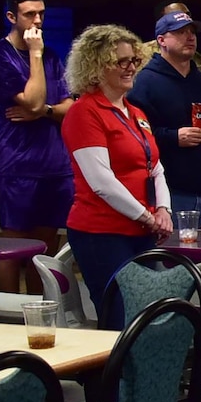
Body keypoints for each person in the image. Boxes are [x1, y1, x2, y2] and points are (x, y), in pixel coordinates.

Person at [58, 25, 172, 328]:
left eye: (133, 60)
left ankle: (143, 375)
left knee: (147, 315)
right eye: (120, 61)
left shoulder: (136, 113)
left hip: (142, 231)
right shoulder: (84, 112)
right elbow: (102, 183)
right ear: (96, 66)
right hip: (102, 233)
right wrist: (147, 218)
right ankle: (109, 376)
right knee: (120, 317)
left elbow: (156, 168)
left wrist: (163, 210)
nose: (131, 67)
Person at [0, 0, 74, 293]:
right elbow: (32, 101)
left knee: (43, 251)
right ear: (12, 17)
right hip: (19, 164)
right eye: (29, 14)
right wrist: (34, 53)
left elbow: (66, 108)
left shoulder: (52, 56)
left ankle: (40, 313)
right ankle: (6, 315)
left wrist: (44, 111)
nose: (37, 20)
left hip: (54, 163)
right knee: (13, 249)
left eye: (41, 14)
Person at [129, 8, 201, 225]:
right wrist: (172, 137)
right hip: (168, 194)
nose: (189, 37)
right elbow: (133, 136)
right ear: (161, 40)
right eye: (180, 32)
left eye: (192, 32)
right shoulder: (143, 84)